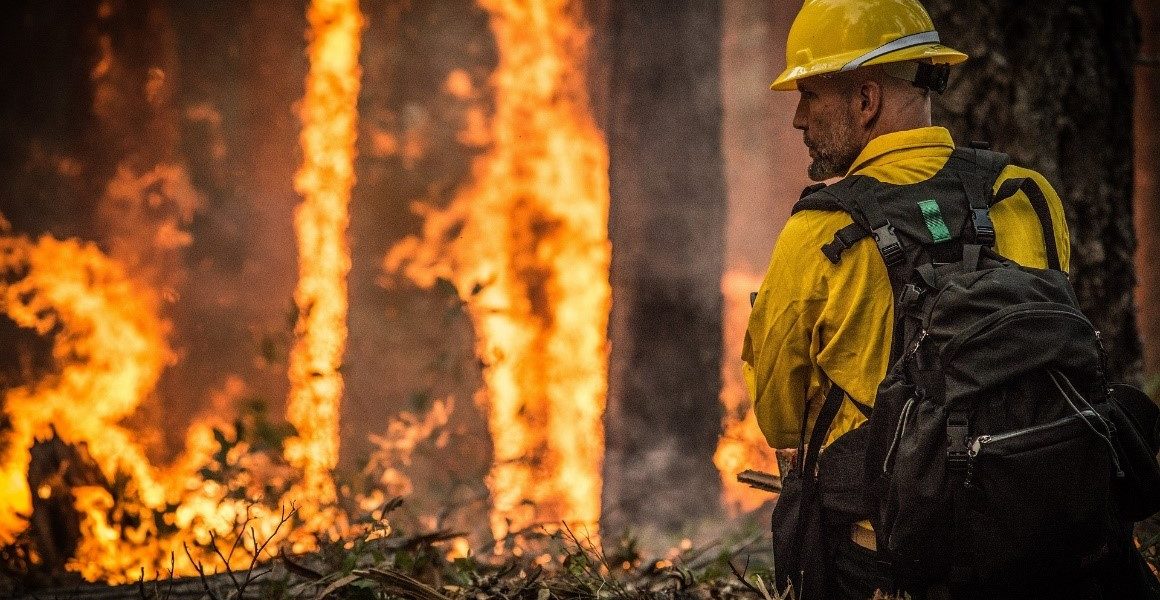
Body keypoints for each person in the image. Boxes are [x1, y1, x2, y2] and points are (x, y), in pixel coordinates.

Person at [741, 0, 1075, 597]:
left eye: (812, 95)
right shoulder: (1025, 196)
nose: (798, 119)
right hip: (1043, 535)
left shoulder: (817, 236)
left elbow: (781, 420)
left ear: (866, 100)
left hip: (888, 560)